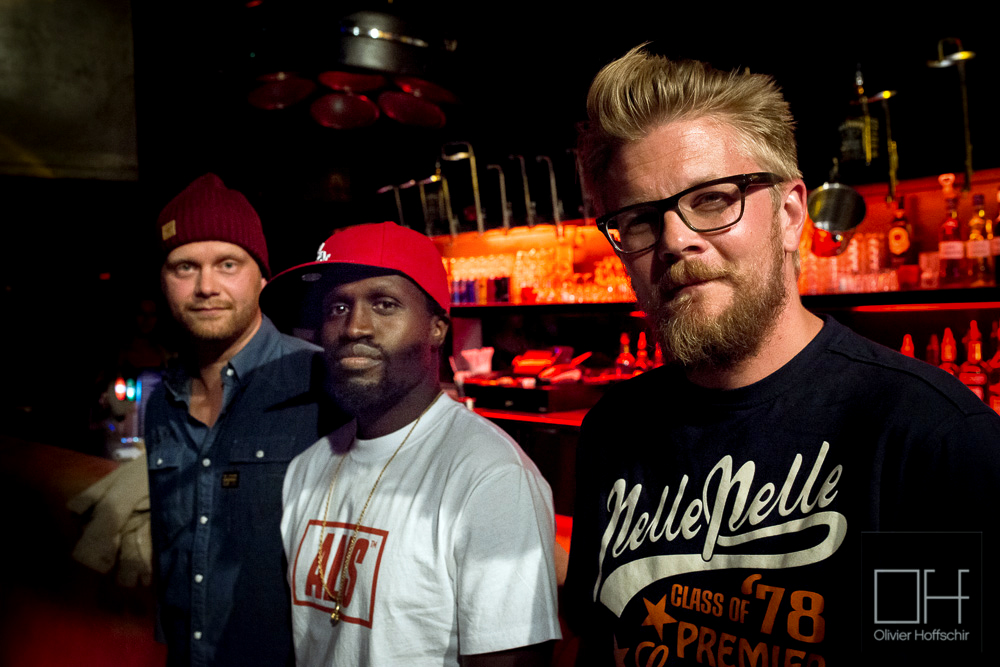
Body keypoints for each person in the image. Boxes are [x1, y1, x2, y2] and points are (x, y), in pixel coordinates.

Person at [562, 45, 1000, 664]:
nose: (675, 241)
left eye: (713, 199)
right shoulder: (614, 429)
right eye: (638, 219)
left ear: (791, 215)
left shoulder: (928, 437)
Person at [264, 221, 561, 666]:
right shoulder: (306, 469)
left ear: (436, 328)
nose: (354, 328)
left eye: (384, 304)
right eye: (337, 308)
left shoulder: (491, 479)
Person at [145, 173, 339, 667]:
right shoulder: (162, 401)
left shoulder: (320, 382)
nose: (206, 287)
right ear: (163, 281)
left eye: (227, 264)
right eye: (184, 267)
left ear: (262, 277)